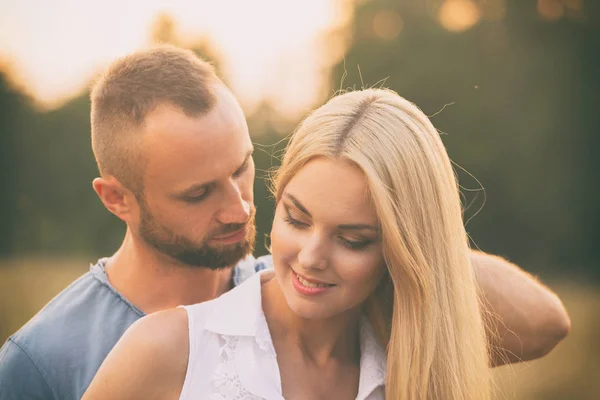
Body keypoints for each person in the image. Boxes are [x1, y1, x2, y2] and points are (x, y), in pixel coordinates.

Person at [0, 46, 570, 400]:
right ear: (116, 199)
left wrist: (406, 233)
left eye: (243, 168)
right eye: (199, 192)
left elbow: (544, 324)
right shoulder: (40, 360)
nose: (241, 208)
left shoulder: (329, 301)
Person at [82, 88, 517, 399]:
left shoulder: (414, 368)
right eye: (296, 218)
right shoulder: (168, 349)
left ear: (401, 253)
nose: (310, 258)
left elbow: (552, 322)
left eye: (352, 240)